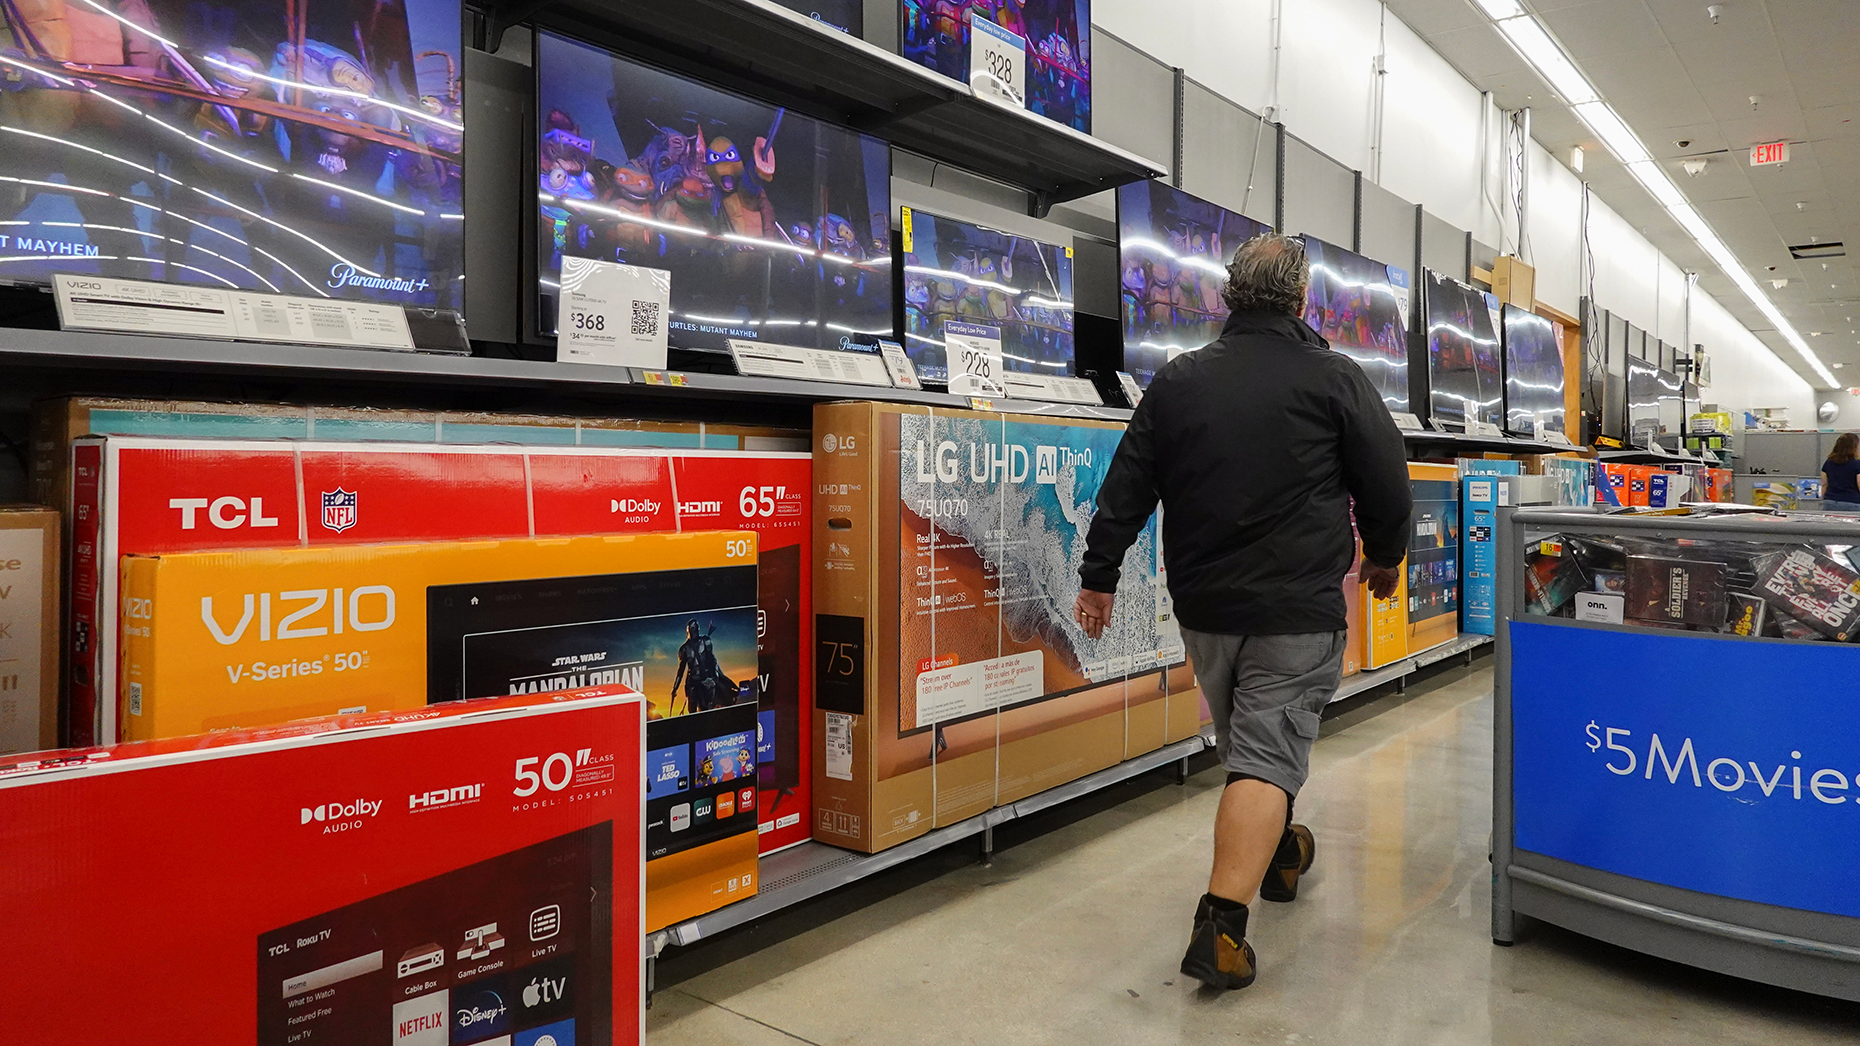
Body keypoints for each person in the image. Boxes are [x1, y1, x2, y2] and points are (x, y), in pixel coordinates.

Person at [1073, 234, 1413, 992]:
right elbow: (1388, 481)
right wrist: (1385, 556)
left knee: (1253, 748)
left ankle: (1282, 852)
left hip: (1206, 609)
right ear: (1301, 301)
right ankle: (1221, 928)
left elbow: (1125, 487)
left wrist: (1100, 575)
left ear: (1229, 296)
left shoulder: (1179, 381)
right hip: (1297, 608)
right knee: (1264, 754)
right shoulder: (1336, 378)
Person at [1821, 433, 1860, 508]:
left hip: (1830, 501)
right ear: (1854, 447)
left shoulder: (1828, 462)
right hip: (1852, 502)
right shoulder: (1857, 464)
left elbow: (1824, 484)